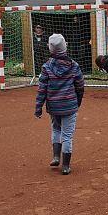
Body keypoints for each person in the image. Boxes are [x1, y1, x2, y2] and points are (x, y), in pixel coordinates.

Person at [34, 33, 84, 175]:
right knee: (67, 135)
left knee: (56, 129)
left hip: (54, 106)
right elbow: (80, 86)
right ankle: (65, 166)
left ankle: (56, 156)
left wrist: (38, 107)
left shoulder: (46, 67)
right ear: (65, 47)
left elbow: (42, 89)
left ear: (50, 48)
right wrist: (78, 101)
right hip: (69, 105)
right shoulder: (74, 66)